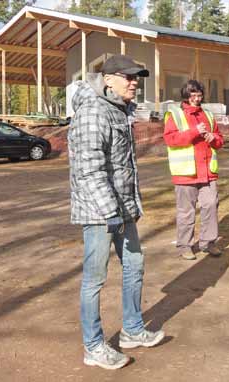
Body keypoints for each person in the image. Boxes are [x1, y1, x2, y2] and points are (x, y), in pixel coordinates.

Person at [68, 54, 165, 371]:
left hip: (122, 209)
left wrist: (129, 208)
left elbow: (125, 168)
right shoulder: (93, 112)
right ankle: (93, 346)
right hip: (99, 212)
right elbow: (89, 170)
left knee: (135, 265)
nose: (135, 82)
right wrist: (112, 212)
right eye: (129, 76)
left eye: (137, 77)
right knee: (95, 280)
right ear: (108, 79)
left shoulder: (120, 110)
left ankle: (132, 329)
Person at [163, 80, 224, 260]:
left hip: (208, 173)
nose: (197, 99)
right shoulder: (174, 114)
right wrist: (194, 131)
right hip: (185, 174)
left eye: (199, 95)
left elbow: (219, 141)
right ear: (186, 95)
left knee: (211, 206)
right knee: (186, 212)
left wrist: (213, 138)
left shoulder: (208, 115)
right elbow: (171, 140)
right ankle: (185, 246)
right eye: (193, 95)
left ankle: (208, 242)